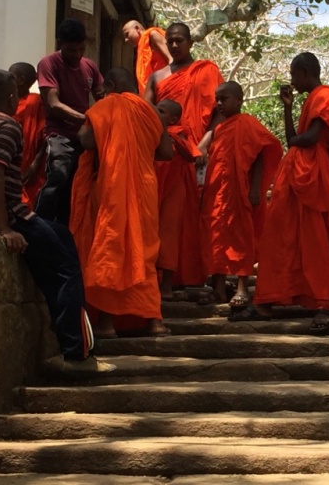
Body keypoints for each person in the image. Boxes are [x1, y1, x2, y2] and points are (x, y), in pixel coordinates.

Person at [0, 69, 114, 374]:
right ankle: (77, 353)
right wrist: (3, 228)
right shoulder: (7, 126)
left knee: (60, 237)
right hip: (4, 215)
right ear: (14, 96)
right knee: (66, 264)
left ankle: (67, 340)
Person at [233, 52, 329, 336]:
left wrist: (296, 140)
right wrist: (288, 109)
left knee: (315, 242)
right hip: (297, 174)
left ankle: (325, 304)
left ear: (304, 71)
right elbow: (294, 139)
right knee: (280, 237)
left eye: (293, 74)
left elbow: (309, 139)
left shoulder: (326, 96)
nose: (291, 79)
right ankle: (268, 300)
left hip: (313, 177)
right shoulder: (310, 100)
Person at [70, 67, 174, 338]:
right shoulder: (151, 111)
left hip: (113, 189)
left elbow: (86, 141)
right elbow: (165, 152)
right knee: (145, 251)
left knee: (113, 247)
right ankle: (154, 322)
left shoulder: (108, 105)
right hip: (146, 190)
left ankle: (106, 324)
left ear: (112, 85)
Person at [144, 22, 224, 292]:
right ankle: (158, 276)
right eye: (171, 41)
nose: (175, 45)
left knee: (194, 215)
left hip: (197, 154)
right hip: (164, 156)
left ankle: (191, 273)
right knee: (163, 216)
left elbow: (221, 111)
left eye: (180, 40)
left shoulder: (206, 71)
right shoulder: (156, 77)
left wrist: (204, 143)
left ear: (190, 43)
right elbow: (145, 113)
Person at [197, 81, 282, 309]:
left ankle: (243, 287)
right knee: (215, 237)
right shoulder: (219, 129)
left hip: (240, 191)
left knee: (242, 236)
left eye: (224, 99)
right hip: (217, 194)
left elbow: (264, 154)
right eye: (217, 99)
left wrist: (256, 188)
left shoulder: (248, 124)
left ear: (239, 100)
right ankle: (218, 288)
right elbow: (206, 157)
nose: (219, 104)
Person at [36, 18, 106, 225]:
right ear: (60, 44)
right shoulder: (48, 64)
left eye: (81, 50)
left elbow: (102, 95)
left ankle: (67, 230)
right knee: (58, 177)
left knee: (78, 186)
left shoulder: (90, 66)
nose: (77, 55)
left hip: (83, 137)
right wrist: (88, 118)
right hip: (59, 134)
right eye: (72, 50)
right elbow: (53, 104)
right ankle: (40, 226)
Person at [154, 99, 206, 302]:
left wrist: (172, 137)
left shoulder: (179, 132)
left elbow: (192, 155)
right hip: (154, 190)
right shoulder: (151, 129)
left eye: (161, 111)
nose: (156, 113)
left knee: (168, 238)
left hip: (173, 193)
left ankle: (166, 286)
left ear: (173, 118)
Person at [9, 62, 46, 208]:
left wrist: (35, 164)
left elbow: (44, 135)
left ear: (21, 80)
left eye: (11, 76)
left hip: (30, 166)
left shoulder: (35, 103)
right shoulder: (7, 102)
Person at [122, 20, 172, 95]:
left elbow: (171, 59)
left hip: (166, 88)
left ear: (137, 28)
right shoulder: (141, 48)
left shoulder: (153, 35)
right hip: (153, 92)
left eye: (127, 34)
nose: (126, 40)